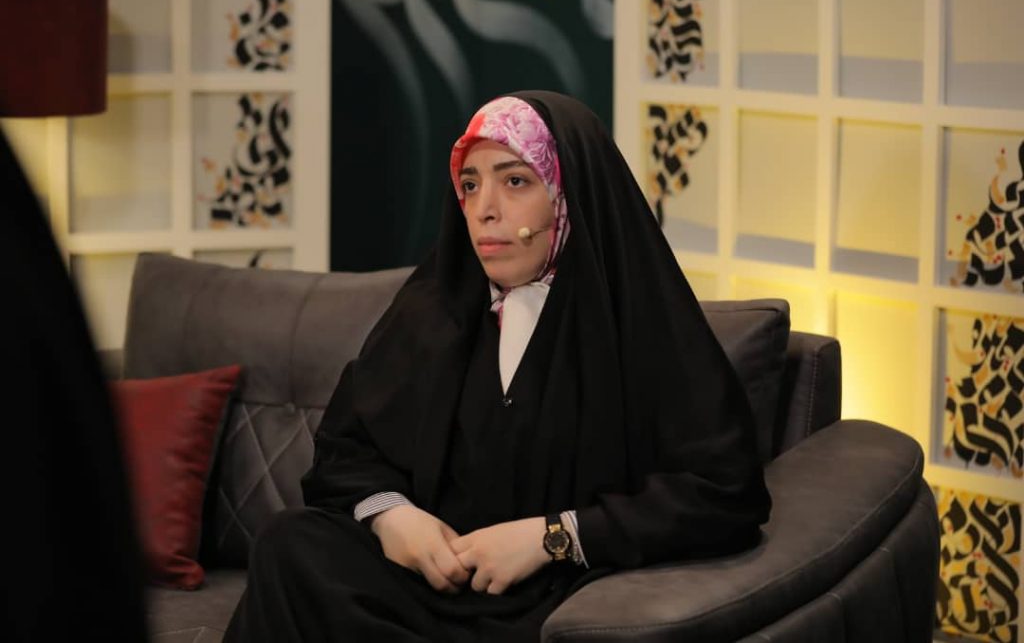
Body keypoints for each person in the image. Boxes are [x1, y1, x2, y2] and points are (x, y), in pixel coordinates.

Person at [224, 91, 770, 642]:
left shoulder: (640, 321)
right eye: (469, 184)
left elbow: (722, 494)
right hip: (433, 586)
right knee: (291, 544)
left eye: (515, 181)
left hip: (558, 598)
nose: (484, 208)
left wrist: (555, 537)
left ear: (567, 195)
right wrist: (391, 516)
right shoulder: (431, 310)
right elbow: (347, 449)